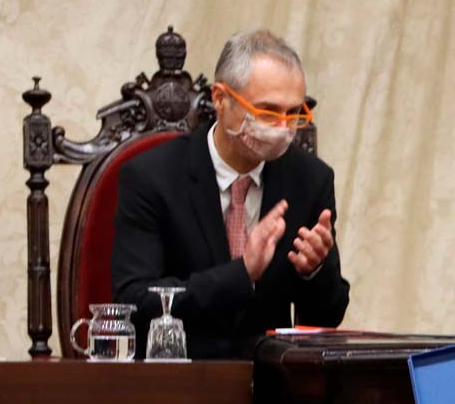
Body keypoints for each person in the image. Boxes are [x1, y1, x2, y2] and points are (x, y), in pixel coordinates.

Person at [111, 29, 349, 359]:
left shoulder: (310, 179)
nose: (283, 129)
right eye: (268, 112)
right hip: (181, 374)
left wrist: (315, 272)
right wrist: (242, 273)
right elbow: (135, 302)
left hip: (272, 380)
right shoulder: (152, 177)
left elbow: (326, 320)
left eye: (294, 113)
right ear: (221, 99)